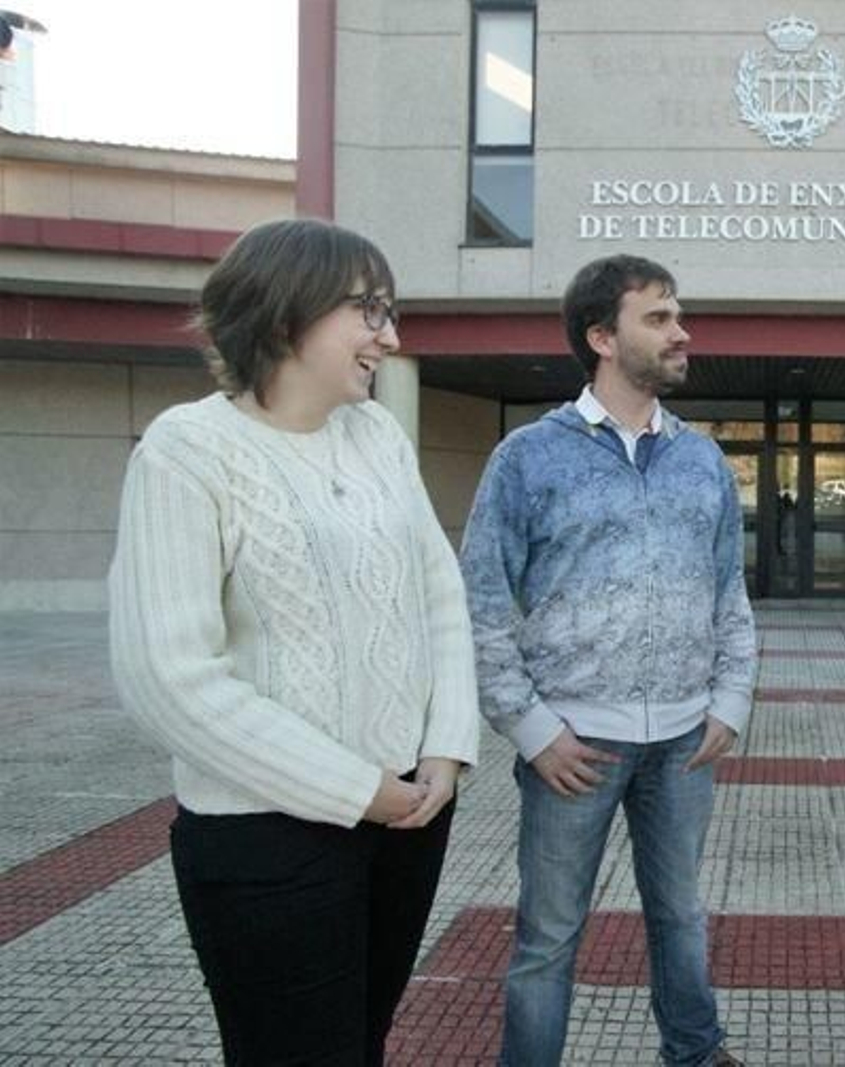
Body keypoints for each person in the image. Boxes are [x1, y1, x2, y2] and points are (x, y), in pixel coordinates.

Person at [108, 217, 480, 1064]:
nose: (390, 335)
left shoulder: (377, 437)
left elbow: (439, 596)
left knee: (359, 1044)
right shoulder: (187, 450)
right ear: (285, 314)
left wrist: (447, 752)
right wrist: (358, 788)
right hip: (266, 837)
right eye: (369, 310)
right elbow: (167, 677)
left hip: (407, 817)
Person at [460, 254, 755, 1067]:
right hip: (573, 748)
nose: (681, 331)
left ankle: (694, 1053)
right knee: (548, 937)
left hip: (685, 743)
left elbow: (730, 588)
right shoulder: (528, 456)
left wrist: (730, 700)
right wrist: (530, 728)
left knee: (681, 916)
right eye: (658, 317)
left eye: (678, 313)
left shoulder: (702, 459)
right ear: (601, 336)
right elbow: (481, 601)